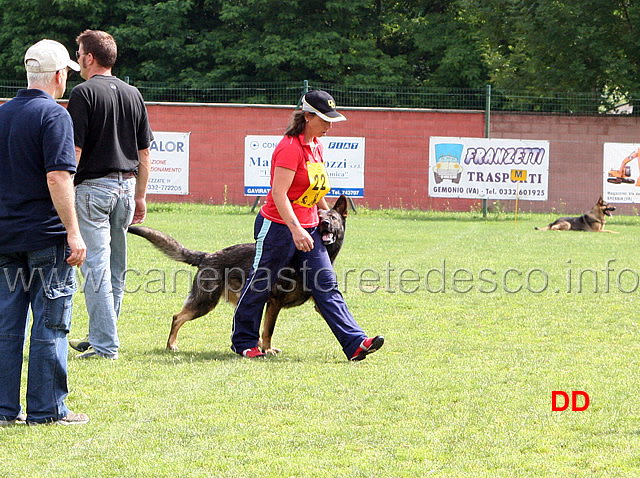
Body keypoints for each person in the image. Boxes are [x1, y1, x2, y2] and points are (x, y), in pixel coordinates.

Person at [231, 90, 384, 360]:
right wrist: (295, 229)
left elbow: (314, 190)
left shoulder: (316, 146)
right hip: (278, 226)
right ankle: (244, 342)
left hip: (309, 226)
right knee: (261, 283)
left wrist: (327, 215)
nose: (329, 125)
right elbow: (279, 194)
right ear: (307, 116)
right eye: (324, 120)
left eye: (331, 120)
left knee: (326, 284)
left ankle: (355, 343)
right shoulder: (289, 148)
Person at [0, 39, 88, 425]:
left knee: (6, 326)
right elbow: (58, 176)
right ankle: (47, 409)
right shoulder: (54, 116)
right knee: (51, 324)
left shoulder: (2, 115)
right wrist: (74, 231)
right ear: (59, 75)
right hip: (46, 238)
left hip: (5, 238)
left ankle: (3, 410)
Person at [67, 30, 153, 359]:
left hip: (93, 190)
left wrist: (63, 190)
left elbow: (74, 151)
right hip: (127, 188)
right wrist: (141, 196)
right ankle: (103, 334)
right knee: (115, 268)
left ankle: (105, 346)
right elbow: (145, 154)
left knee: (96, 270)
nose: (78, 58)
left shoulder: (82, 93)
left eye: (79, 52)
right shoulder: (134, 94)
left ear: (90, 57)